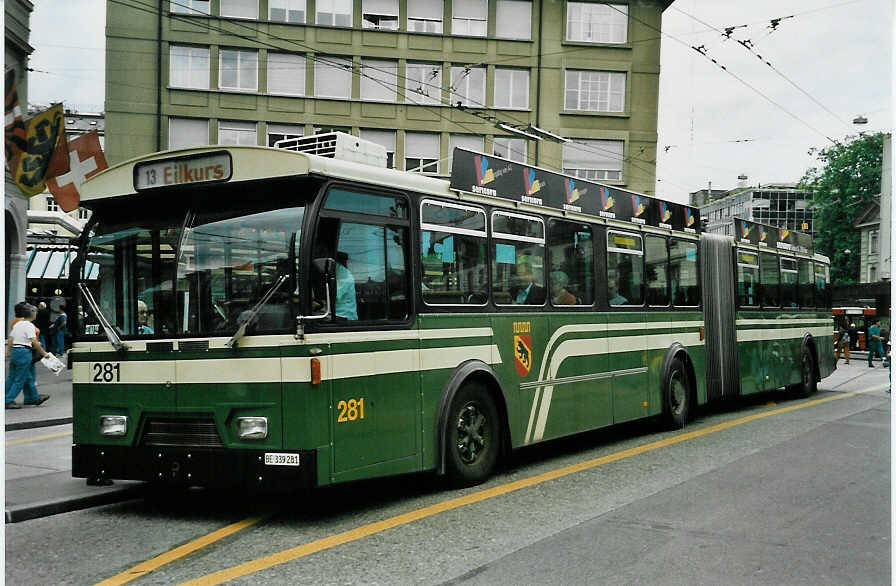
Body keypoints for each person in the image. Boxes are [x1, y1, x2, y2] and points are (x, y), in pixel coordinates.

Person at [5, 303, 50, 409]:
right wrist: (44, 353)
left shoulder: (18, 324)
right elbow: (34, 341)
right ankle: (8, 400)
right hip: (24, 352)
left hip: (15, 351)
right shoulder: (29, 325)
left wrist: (8, 351)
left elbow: (11, 338)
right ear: (32, 314)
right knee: (20, 379)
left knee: (14, 376)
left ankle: (32, 398)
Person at [312, 241, 358, 321]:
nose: (318, 256)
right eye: (316, 254)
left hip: (344, 317)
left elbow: (332, 296)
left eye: (321, 253)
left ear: (328, 255)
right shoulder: (323, 270)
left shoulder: (344, 275)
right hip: (328, 313)